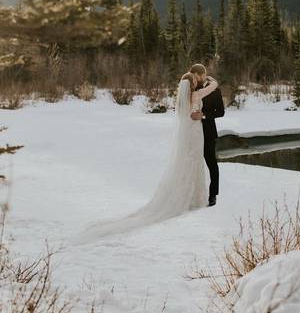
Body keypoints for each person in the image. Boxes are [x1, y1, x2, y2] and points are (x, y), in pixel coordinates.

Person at [74, 67, 218, 241]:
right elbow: (213, 87)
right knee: (194, 161)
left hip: (189, 132)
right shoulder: (195, 96)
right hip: (194, 132)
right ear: (191, 84)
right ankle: (195, 197)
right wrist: (211, 80)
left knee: (189, 161)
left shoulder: (182, 98)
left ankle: (191, 195)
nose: (197, 83)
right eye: (195, 81)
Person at [189, 64, 222, 206]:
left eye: (197, 77)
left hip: (208, 132)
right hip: (192, 133)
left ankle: (213, 195)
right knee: (192, 163)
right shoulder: (191, 88)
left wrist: (203, 115)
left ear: (203, 74)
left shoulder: (215, 90)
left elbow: (220, 112)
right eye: (193, 77)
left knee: (211, 164)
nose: (195, 80)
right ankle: (191, 194)